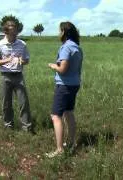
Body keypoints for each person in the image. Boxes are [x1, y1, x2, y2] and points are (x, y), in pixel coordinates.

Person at [46, 21, 83, 157]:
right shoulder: (77, 47)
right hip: (74, 84)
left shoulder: (66, 47)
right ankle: (71, 142)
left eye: (59, 30)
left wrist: (53, 66)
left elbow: (63, 69)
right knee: (69, 113)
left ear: (64, 32)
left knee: (56, 116)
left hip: (64, 85)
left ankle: (59, 150)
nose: (58, 33)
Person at [0, 15, 32, 131]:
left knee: (23, 102)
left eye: (16, 32)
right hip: (5, 76)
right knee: (6, 104)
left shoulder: (22, 44)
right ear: (6, 32)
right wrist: (7, 60)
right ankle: (8, 126)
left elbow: (27, 60)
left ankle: (27, 127)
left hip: (18, 76)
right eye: (12, 32)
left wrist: (22, 61)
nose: (15, 35)